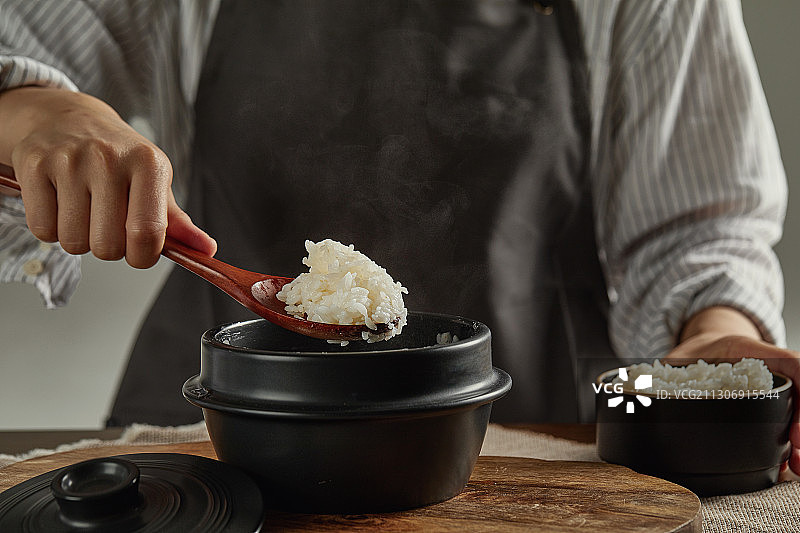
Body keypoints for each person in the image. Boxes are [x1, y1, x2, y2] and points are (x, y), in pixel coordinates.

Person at [1, 0, 798, 476]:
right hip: (208, 449)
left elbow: (699, 235)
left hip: (522, 456)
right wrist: (31, 109)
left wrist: (715, 340)